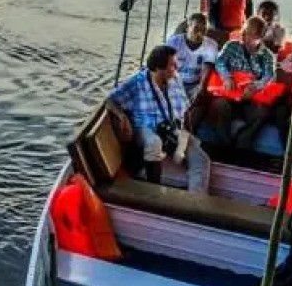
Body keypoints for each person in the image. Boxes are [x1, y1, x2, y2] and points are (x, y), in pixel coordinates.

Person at [108, 44, 211, 194]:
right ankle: (154, 191)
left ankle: (196, 202)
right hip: (146, 129)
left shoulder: (175, 78)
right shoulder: (137, 82)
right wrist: (122, 116)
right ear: (158, 68)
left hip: (173, 130)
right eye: (172, 64)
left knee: (201, 160)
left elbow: (185, 109)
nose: (177, 67)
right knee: (154, 143)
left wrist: (189, 132)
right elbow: (110, 101)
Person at [209, 17, 278, 149]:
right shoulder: (232, 45)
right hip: (229, 94)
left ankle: (243, 139)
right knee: (218, 106)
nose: (246, 37)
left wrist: (255, 87)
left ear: (261, 36)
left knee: (262, 113)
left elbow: (268, 77)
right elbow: (220, 61)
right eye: (245, 32)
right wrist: (227, 77)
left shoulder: (267, 56)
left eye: (252, 35)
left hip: (250, 98)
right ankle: (224, 146)